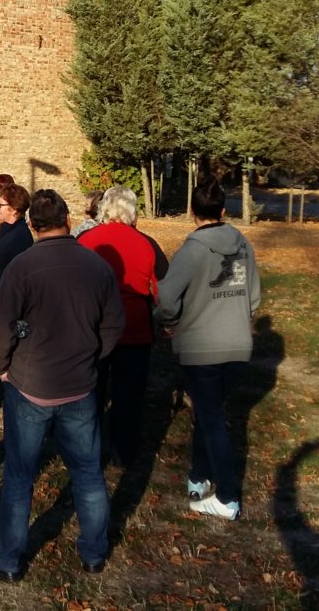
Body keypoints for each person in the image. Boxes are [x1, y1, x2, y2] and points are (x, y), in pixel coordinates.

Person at [0, 189, 123, 582]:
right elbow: (113, 324)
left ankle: (7, 560)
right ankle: (94, 551)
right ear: (68, 220)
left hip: (31, 384)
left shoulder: (22, 267)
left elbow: (0, 324)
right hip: (78, 385)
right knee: (88, 472)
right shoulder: (96, 265)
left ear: (31, 225)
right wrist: (94, 358)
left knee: (20, 476)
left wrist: (2, 367)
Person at [154, 178, 261, 520]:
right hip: (236, 346)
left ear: (192, 212)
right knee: (209, 411)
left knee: (213, 418)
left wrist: (168, 321)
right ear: (223, 211)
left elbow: (167, 298)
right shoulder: (243, 245)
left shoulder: (192, 250)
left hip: (202, 347)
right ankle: (199, 475)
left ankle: (227, 497)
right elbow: (254, 297)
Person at [78, 186, 169, 466]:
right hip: (134, 326)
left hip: (95, 327)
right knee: (129, 395)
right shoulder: (146, 243)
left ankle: (87, 450)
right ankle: (124, 451)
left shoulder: (86, 240)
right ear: (132, 213)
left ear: (104, 209)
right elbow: (160, 285)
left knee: (91, 393)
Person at [0, 183, 32, 313]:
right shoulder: (7, 229)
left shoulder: (19, 236)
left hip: (7, 307)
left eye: (1, 205)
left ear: (14, 209)